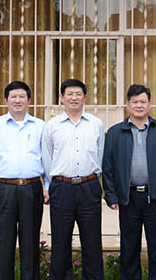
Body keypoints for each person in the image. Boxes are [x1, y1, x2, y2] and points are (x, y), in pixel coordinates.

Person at [102, 84, 156, 280]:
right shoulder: (115, 132)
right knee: (129, 249)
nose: (139, 105)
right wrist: (111, 195)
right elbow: (107, 167)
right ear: (127, 104)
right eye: (134, 101)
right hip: (128, 198)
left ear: (149, 104)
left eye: (143, 101)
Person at [0, 81, 46, 280]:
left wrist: (47, 185)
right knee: (4, 240)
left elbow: (47, 158)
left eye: (22, 96)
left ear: (29, 100)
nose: (18, 100)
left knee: (31, 241)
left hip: (32, 187)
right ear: (6, 100)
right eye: (13, 96)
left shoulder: (40, 126)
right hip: (4, 188)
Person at [42, 78, 105, 280]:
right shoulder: (52, 126)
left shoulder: (96, 124)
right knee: (60, 242)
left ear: (85, 97)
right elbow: (47, 158)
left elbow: (100, 155)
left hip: (89, 186)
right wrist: (52, 183)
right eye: (69, 94)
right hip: (62, 188)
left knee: (92, 242)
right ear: (62, 97)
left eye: (78, 94)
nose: (74, 98)